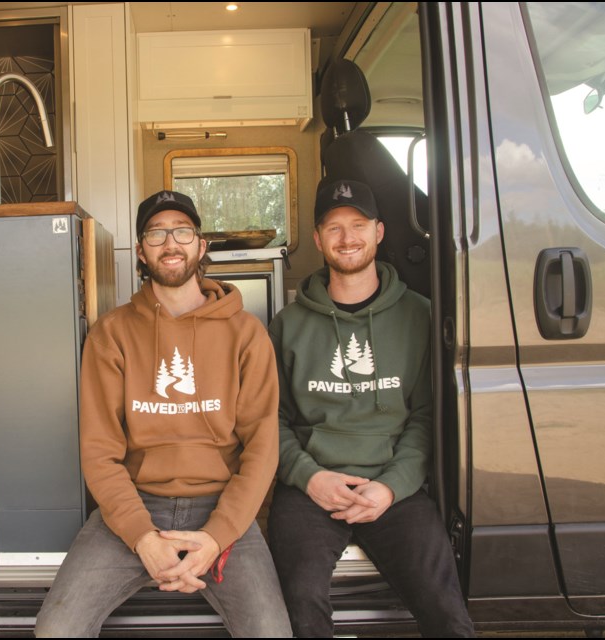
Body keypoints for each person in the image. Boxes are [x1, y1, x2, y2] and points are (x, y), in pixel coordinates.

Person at [35, 190, 292, 638]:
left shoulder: (247, 333)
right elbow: (99, 452)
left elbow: (263, 448)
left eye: (182, 231)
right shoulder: (111, 334)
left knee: (272, 633)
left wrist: (216, 537)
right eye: (156, 233)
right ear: (140, 250)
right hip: (136, 505)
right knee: (56, 629)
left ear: (201, 245)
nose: (170, 242)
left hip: (222, 505)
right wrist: (143, 539)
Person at [267, 179, 475, 638]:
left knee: (446, 608)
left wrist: (392, 487)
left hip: (392, 486)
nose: (347, 238)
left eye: (358, 225)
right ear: (318, 239)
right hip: (311, 488)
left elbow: (426, 418)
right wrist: (310, 477)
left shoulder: (419, 316)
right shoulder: (288, 326)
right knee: (299, 605)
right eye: (334, 228)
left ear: (379, 232)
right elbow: (270, 423)